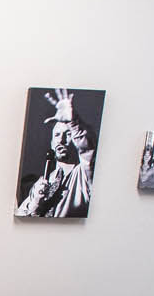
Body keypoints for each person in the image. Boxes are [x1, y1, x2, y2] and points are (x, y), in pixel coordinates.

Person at [16, 88, 95, 217]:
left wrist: (73, 122)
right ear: (52, 143)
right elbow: (21, 217)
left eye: (68, 134)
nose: (61, 140)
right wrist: (35, 202)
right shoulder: (42, 182)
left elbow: (88, 149)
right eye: (57, 135)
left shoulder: (84, 174)